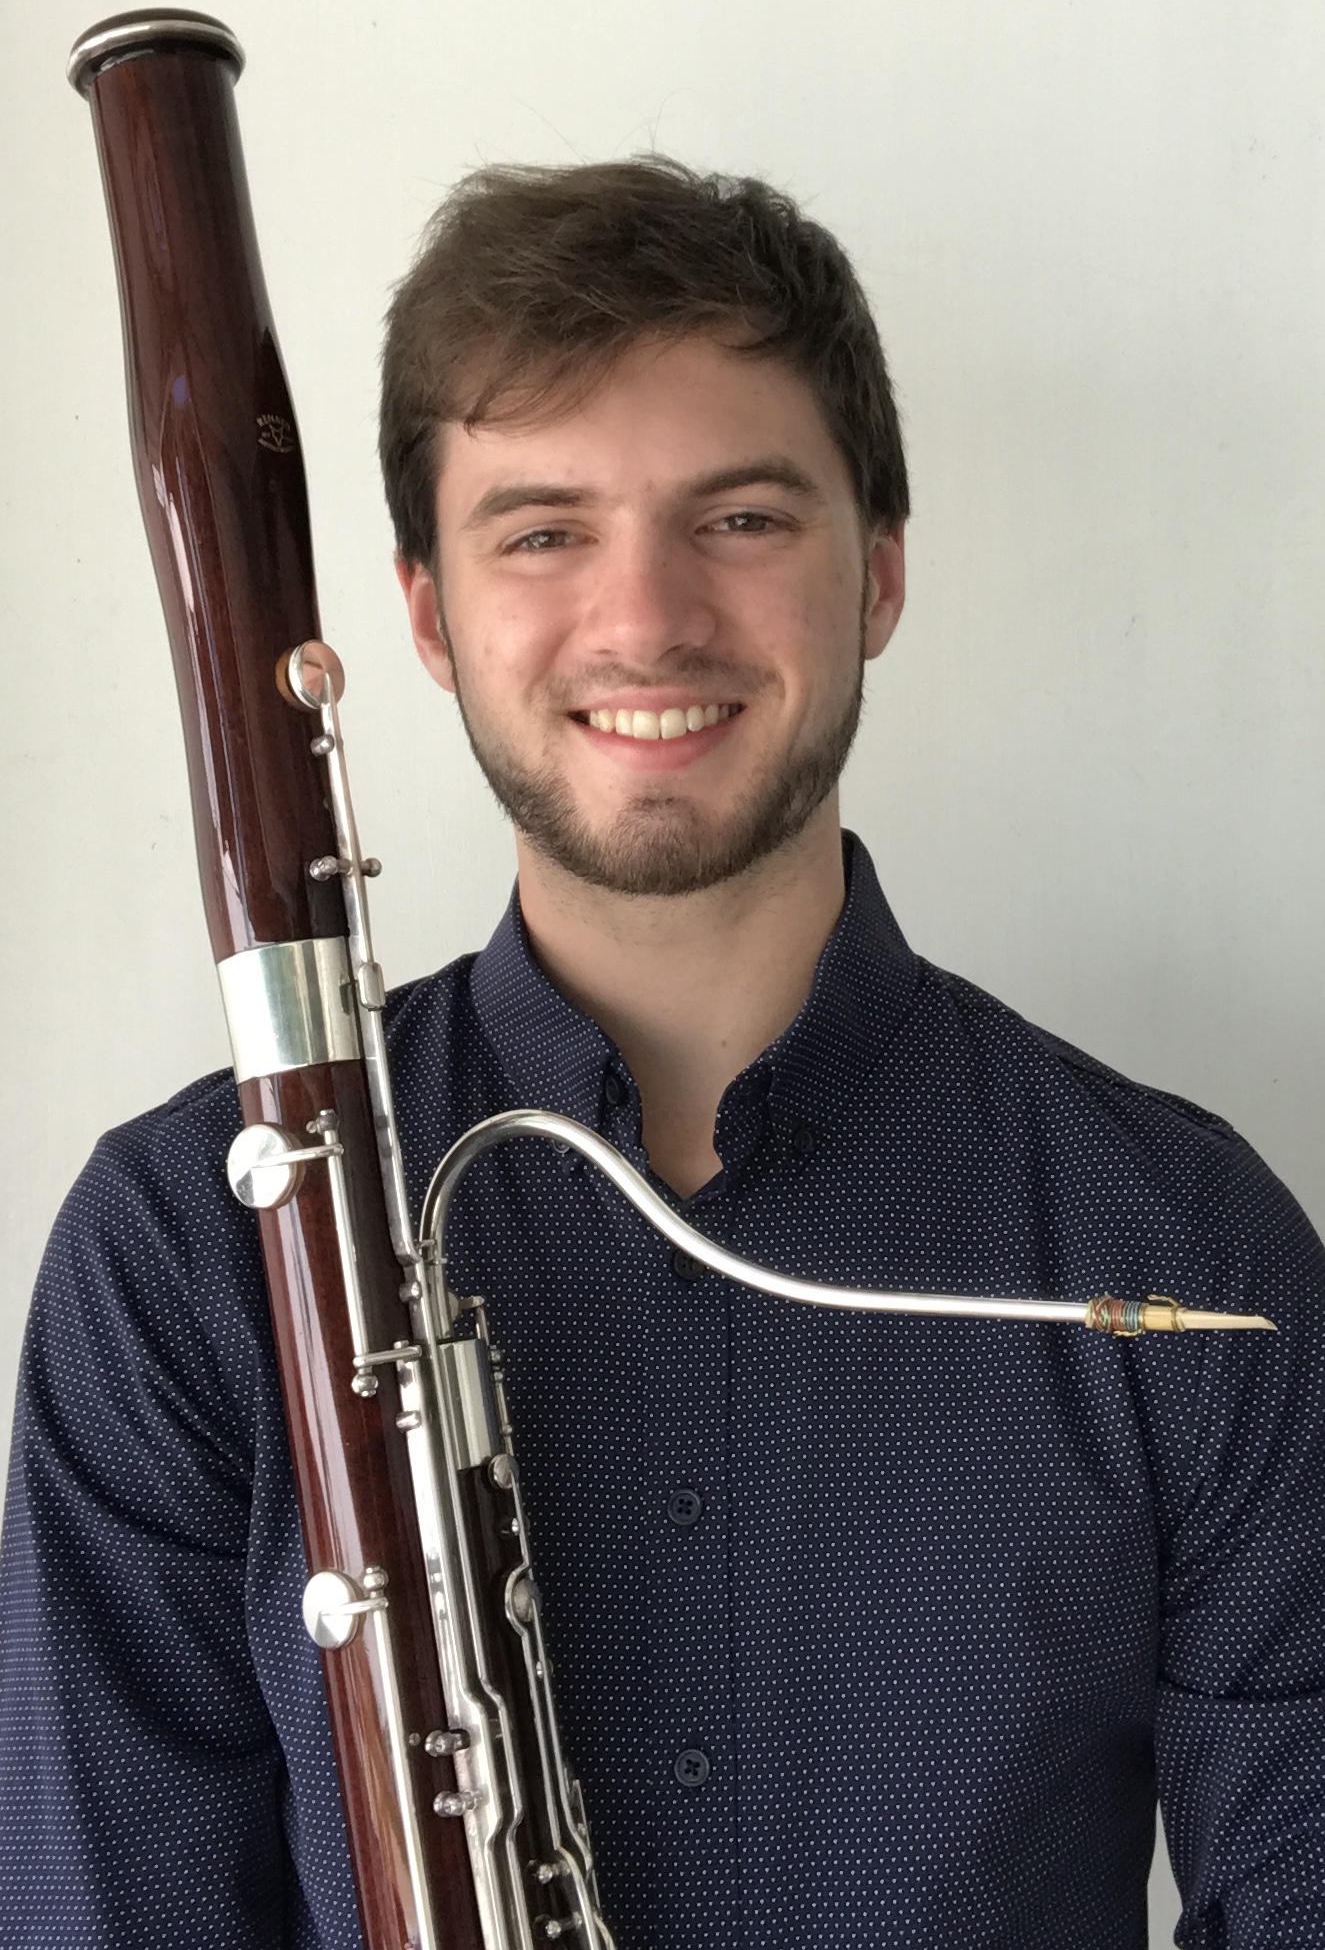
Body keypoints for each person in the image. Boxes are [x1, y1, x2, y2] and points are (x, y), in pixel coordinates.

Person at [2, 158, 1324, 1950]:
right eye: (541, 529)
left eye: (743, 517)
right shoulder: (185, 1246)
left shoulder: (1184, 1249)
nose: (643, 621)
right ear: (422, 613)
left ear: (880, 574)